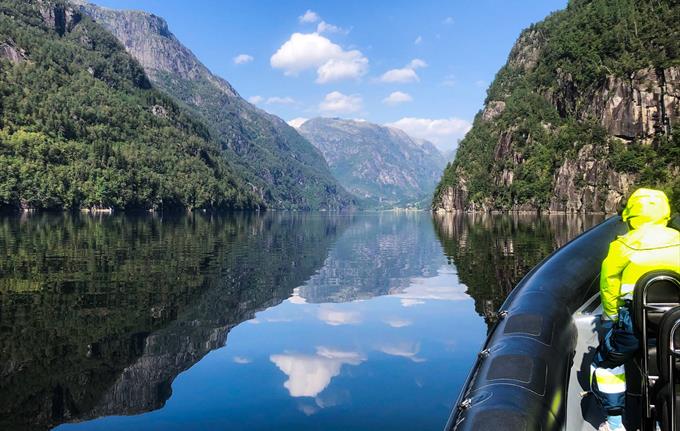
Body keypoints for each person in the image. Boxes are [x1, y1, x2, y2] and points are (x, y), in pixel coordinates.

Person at [591, 188, 680, 431]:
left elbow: (608, 284)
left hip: (633, 326)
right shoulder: (679, 241)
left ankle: (615, 423)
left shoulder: (622, 246)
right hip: (675, 328)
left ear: (631, 216)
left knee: (606, 362)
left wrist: (610, 317)